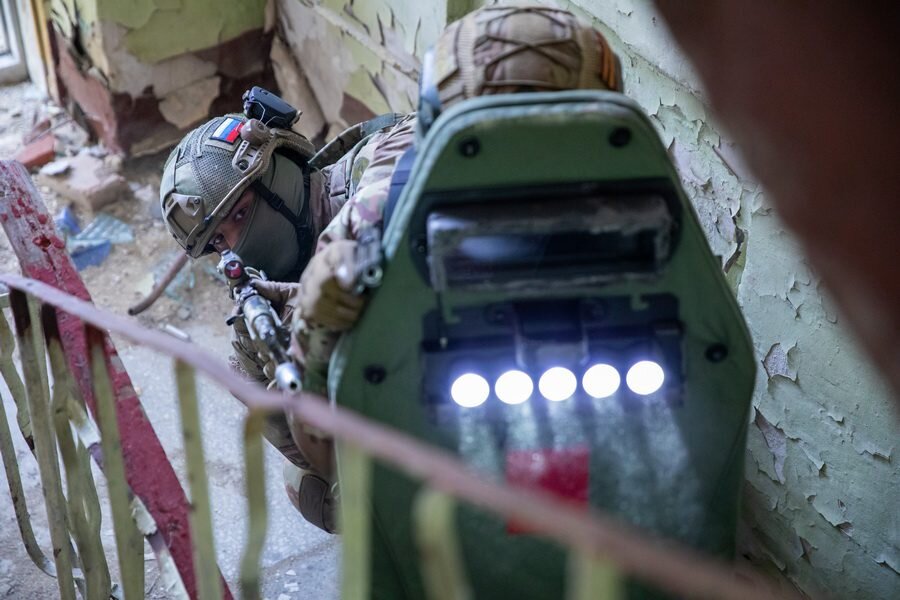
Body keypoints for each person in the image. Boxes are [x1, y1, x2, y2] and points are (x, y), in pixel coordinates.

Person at [160, 3, 622, 533]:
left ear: (279, 173)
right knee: (317, 491)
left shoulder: (380, 157)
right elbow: (324, 459)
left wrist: (329, 285)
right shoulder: (261, 310)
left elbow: (384, 201)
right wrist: (286, 370)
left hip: (533, 339)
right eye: (218, 243)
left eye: (240, 216)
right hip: (435, 410)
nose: (235, 249)